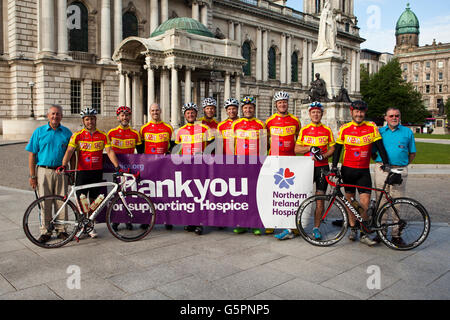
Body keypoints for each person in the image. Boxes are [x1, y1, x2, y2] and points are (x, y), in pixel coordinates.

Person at [331, 100, 390, 246]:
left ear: (365, 112)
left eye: (362, 111)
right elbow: (338, 149)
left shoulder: (371, 127)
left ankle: (364, 231)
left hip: (363, 171)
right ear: (351, 112)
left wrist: (386, 162)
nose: (359, 114)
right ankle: (353, 228)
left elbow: (380, 145)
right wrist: (333, 166)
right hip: (348, 170)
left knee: (364, 202)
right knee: (350, 202)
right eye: (356, 111)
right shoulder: (345, 128)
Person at [59, 107, 121, 238]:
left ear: (95, 119)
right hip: (82, 172)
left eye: (92, 119)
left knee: (94, 201)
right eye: (87, 119)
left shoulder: (103, 135)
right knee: (82, 202)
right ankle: (82, 225)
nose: (90, 122)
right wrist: (63, 165)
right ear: (83, 121)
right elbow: (69, 151)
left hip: (96, 172)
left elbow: (109, 151)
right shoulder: (77, 135)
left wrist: (117, 167)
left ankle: (90, 224)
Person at [26, 105, 73, 244]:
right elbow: (32, 155)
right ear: (48, 116)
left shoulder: (67, 132)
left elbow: (72, 153)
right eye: (53, 114)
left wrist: (72, 171)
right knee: (44, 202)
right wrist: (32, 176)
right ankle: (45, 231)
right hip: (43, 171)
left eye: (58, 114)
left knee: (61, 201)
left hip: (61, 171)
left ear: (61, 116)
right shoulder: (39, 132)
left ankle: (61, 229)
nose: (55, 116)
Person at [372, 107, 416, 245]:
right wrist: (379, 162)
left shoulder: (407, 132)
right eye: (391, 116)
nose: (394, 118)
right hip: (382, 169)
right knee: (381, 202)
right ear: (385, 118)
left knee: (397, 203)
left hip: (399, 169)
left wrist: (402, 165)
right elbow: (373, 151)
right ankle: (381, 231)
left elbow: (412, 153)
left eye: (397, 115)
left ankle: (396, 234)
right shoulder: (379, 132)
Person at [294, 102, 336, 240]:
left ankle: (316, 228)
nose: (316, 114)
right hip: (307, 167)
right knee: (301, 197)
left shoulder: (327, 130)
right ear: (309, 114)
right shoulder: (305, 130)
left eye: (318, 112)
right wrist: (309, 148)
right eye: (313, 112)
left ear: (322, 114)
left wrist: (324, 155)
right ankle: (294, 226)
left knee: (320, 198)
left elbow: (332, 148)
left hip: (322, 167)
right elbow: (296, 149)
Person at [265, 91, 301, 239]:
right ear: (276, 105)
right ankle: (270, 223)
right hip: (274, 160)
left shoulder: (295, 120)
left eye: (284, 102)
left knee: (290, 194)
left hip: (290, 160)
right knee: (272, 193)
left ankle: (292, 224)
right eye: (279, 103)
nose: (282, 104)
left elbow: (299, 139)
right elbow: (264, 139)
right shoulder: (269, 121)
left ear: (287, 103)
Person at [175, 102, 215, 235]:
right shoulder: (180, 131)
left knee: (200, 195)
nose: (190, 115)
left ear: (196, 114)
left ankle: (200, 222)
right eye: (188, 113)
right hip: (186, 166)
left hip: (200, 166)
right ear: (184, 115)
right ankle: (190, 221)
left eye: (192, 112)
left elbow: (211, 146)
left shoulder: (204, 128)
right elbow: (176, 150)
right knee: (188, 195)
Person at [232, 96, 266, 235]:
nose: (248, 109)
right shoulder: (236, 124)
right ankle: (241, 223)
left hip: (255, 164)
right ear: (242, 109)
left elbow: (264, 146)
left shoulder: (260, 124)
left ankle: (255, 223)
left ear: (254, 108)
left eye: (250, 107)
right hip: (239, 164)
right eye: (245, 108)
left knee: (254, 195)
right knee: (241, 195)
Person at [139, 103, 174, 230]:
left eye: (157, 110)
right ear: (150, 112)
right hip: (149, 166)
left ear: (160, 111)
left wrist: (169, 154)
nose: (155, 112)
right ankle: (147, 219)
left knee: (165, 192)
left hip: (163, 166)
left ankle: (167, 219)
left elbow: (173, 146)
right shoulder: (143, 129)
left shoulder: (168, 128)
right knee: (149, 193)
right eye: (153, 110)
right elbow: (140, 149)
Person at [107, 106, 142, 231]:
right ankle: (116, 219)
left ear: (130, 117)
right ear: (118, 117)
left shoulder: (135, 133)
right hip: (116, 168)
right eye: (122, 115)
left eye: (127, 115)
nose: (124, 117)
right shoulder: (111, 133)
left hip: (129, 168)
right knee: (116, 195)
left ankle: (127, 219)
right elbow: (107, 150)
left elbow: (141, 152)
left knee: (128, 195)